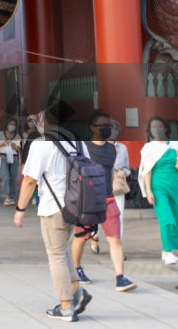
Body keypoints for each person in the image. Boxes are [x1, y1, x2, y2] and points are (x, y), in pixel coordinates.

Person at [15, 104, 92, 322]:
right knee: (61, 250)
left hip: (53, 207)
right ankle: (76, 292)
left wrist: (20, 209)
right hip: (76, 205)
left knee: (56, 255)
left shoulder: (42, 144)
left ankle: (66, 307)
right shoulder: (78, 142)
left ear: (46, 121)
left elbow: (29, 180)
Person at [71, 112, 137, 292]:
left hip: (108, 198)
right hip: (87, 200)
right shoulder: (83, 148)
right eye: (102, 125)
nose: (106, 129)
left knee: (115, 238)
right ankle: (76, 269)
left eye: (108, 125)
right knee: (81, 237)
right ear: (92, 128)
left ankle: (120, 278)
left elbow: (110, 172)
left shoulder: (112, 149)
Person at [139, 116, 178, 266]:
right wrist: (149, 191)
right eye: (153, 127)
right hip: (158, 188)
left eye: (160, 127)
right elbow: (146, 171)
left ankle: (167, 250)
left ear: (166, 129)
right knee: (166, 219)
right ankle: (168, 252)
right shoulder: (149, 148)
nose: (156, 130)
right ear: (149, 131)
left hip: (175, 187)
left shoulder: (175, 145)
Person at [0, 118, 22, 206]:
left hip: (14, 158)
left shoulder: (17, 136)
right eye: (10, 124)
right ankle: (6, 196)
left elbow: (18, 148)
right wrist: (4, 142)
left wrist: (13, 144)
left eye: (14, 125)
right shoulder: (0, 133)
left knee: (13, 178)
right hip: (3, 156)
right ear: (7, 124)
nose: (12, 126)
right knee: (5, 176)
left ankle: (12, 197)